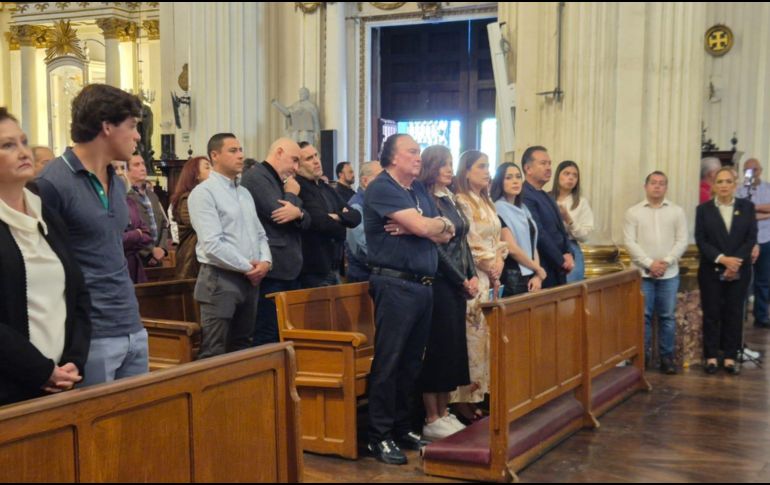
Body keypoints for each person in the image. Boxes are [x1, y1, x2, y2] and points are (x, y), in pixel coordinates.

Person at [37, 83, 149, 386]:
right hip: (92, 333)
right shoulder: (52, 183)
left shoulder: (117, 179)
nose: (138, 136)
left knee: (141, 427)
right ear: (107, 126)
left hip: (131, 324)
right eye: (132, 126)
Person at [364, 134, 455, 465]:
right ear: (393, 158)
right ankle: (380, 435)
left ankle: (403, 427)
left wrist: (428, 226)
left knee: (412, 362)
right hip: (395, 285)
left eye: (419, 152)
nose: (419, 158)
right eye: (412, 152)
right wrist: (423, 227)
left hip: (423, 286)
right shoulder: (382, 187)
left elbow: (450, 229)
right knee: (390, 362)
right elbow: (424, 227)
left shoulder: (416, 189)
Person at [0, 107, 91, 406]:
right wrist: (41, 370)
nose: (23, 152)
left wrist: (74, 360)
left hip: (64, 380)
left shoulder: (46, 213)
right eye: (7, 145)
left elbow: (77, 294)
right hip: (11, 388)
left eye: (23, 142)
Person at [188, 133, 272, 359]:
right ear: (215, 155)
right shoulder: (203, 193)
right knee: (215, 350)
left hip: (249, 279)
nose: (241, 155)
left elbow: (260, 233)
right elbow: (212, 244)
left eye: (241, 150)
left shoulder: (244, 193)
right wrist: (250, 267)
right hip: (220, 279)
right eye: (233, 150)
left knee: (243, 347)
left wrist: (265, 262)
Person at [415, 146, 478, 440]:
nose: (449, 169)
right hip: (440, 283)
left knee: (453, 350)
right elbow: (436, 248)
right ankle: (431, 416)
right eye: (444, 164)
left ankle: (444, 410)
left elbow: (462, 241)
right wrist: (459, 279)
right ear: (431, 166)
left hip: (458, 283)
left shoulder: (449, 198)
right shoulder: (426, 200)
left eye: (451, 163)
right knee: (438, 350)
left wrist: (472, 275)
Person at [449, 150, 507, 423]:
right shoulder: (461, 201)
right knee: (471, 342)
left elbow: (498, 239)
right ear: (466, 171)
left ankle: (480, 396)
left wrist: (498, 261)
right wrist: (489, 263)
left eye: (488, 166)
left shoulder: (487, 202)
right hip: (474, 277)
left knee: (486, 343)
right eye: (481, 167)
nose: (487, 171)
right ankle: (462, 401)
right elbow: (468, 242)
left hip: (491, 278)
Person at [241, 138, 311, 347]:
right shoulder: (256, 177)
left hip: (288, 268)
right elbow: (278, 214)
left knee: (283, 335)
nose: (296, 168)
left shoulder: (279, 179)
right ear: (279, 152)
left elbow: (306, 219)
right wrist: (292, 194)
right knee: (267, 334)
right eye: (294, 160)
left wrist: (298, 213)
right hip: (273, 268)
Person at [624, 171, 688, 374]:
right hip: (643, 274)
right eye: (653, 183)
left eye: (661, 183)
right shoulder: (633, 212)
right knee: (643, 316)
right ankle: (642, 358)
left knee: (667, 317)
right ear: (646, 186)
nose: (657, 186)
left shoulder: (677, 212)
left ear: (666, 188)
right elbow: (629, 242)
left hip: (669, 274)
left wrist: (666, 262)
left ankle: (666, 358)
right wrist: (650, 263)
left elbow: (682, 240)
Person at [696, 167, 757, 375]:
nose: (723, 185)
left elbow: (750, 238)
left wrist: (735, 263)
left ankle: (730, 356)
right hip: (711, 269)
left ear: (735, 184)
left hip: (739, 269)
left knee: (734, 313)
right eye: (720, 181)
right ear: (713, 185)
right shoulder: (703, 210)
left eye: (728, 181)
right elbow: (701, 240)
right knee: (712, 313)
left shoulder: (747, 207)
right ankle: (711, 356)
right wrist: (723, 260)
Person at [296, 142, 361, 289]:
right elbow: (321, 222)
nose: (316, 161)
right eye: (308, 158)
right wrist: (342, 222)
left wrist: (336, 217)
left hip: (334, 266)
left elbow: (356, 216)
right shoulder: (300, 188)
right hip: (313, 270)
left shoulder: (325, 187)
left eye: (316, 155)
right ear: (297, 166)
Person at [521, 146, 574, 288]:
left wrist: (568, 253)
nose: (549, 168)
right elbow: (539, 232)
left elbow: (561, 230)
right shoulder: (524, 195)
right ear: (528, 168)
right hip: (543, 267)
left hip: (558, 266)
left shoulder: (546, 195)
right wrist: (561, 259)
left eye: (549, 163)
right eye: (543, 163)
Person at [491, 162, 546, 296]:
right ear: (500, 182)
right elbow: (511, 248)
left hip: (530, 273)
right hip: (512, 275)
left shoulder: (523, 208)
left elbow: (532, 243)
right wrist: (538, 269)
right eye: (508, 178)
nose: (515, 181)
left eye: (517, 177)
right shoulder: (497, 208)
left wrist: (537, 275)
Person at [737, 158, 770, 329]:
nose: (751, 173)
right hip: (744, 241)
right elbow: (741, 214)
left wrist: (753, 208)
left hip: (765, 239)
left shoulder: (768, 188)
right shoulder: (739, 190)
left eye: (754, 170)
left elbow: (749, 210)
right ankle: (740, 315)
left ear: (761, 170)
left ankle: (762, 316)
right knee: (742, 280)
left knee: (763, 281)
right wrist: (762, 211)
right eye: (747, 170)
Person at [551, 160, 594, 283]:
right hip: (549, 247)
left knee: (570, 290)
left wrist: (568, 219)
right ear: (558, 175)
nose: (571, 178)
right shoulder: (547, 197)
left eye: (575, 175)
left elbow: (585, 236)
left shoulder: (581, 202)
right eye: (566, 173)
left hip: (571, 247)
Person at [170, 156, 211, 279]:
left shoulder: (205, 196)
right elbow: (200, 225)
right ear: (196, 175)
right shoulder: (187, 199)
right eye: (207, 167)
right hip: (191, 258)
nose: (213, 170)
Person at [126, 153, 170, 267]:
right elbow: (127, 230)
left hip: (158, 258)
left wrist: (162, 248)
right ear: (127, 171)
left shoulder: (152, 196)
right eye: (136, 165)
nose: (143, 168)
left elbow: (165, 224)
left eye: (143, 164)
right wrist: (150, 251)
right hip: (136, 258)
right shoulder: (125, 197)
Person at [114, 160, 153, 284]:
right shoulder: (102, 202)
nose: (120, 173)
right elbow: (113, 240)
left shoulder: (129, 201)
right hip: (116, 266)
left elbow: (147, 234)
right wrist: (137, 234)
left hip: (134, 267)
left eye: (123, 168)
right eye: (115, 169)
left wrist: (135, 237)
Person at [346, 160, 383, 282]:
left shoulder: (376, 203)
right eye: (380, 177)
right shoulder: (356, 206)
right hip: (363, 276)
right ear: (365, 181)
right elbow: (363, 247)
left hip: (377, 273)